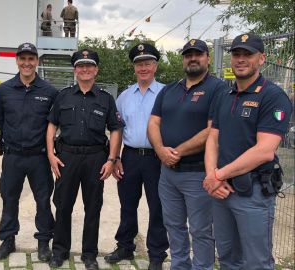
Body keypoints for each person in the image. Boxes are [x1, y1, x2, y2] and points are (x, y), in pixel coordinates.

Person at [204, 33, 292, 270]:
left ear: (262, 58)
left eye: (247, 54)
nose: (241, 59)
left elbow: (264, 151)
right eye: (236, 54)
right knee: (227, 257)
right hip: (222, 191)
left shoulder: (273, 96)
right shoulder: (224, 94)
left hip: (253, 192)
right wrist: (212, 175)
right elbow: (213, 138)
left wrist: (217, 175)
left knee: (256, 262)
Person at [147, 39, 226, 269]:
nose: (192, 58)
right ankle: (179, 265)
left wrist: (177, 152)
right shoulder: (169, 90)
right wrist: (161, 151)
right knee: (174, 226)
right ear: (183, 59)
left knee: (201, 230)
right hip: (168, 173)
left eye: (198, 54)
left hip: (198, 173)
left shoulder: (217, 88)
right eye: (188, 54)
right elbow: (153, 123)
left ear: (207, 58)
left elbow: (214, 130)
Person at [46, 49, 123, 270]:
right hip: (67, 157)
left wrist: (111, 159)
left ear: (96, 70)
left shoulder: (106, 99)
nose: (85, 69)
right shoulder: (63, 96)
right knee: (62, 206)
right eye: (80, 66)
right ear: (75, 70)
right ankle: (59, 250)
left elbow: (116, 130)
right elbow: (52, 124)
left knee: (93, 207)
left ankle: (89, 254)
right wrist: (51, 154)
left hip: (95, 158)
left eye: (89, 65)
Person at [105, 43, 168, 270]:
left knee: (157, 206)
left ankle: (157, 254)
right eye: (139, 64)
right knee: (127, 204)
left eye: (147, 63)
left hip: (157, 158)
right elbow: (118, 129)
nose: (143, 68)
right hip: (130, 157)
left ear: (155, 66)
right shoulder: (124, 96)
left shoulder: (166, 93)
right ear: (134, 67)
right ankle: (125, 246)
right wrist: (116, 158)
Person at [0, 42, 58, 261]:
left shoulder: (50, 92)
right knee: (9, 198)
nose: (27, 63)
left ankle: (43, 242)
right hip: (13, 156)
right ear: (17, 61)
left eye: (31, 59)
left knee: (43, 200)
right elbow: (1, 120)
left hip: (39, 157)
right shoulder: (4, 90)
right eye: (23, 58)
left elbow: (54, 124)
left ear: (36, 61)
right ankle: (8, 240)